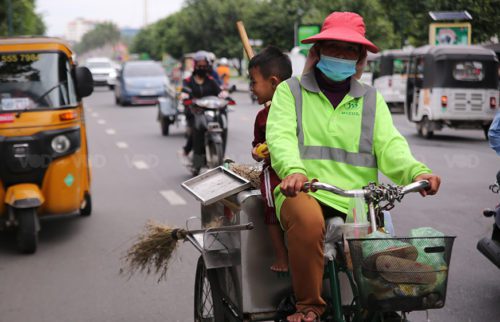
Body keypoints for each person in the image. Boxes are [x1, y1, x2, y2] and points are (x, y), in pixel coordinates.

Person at [266, 12, 441, 322]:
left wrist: (417, 172)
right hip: (303, 190)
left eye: (349, 50)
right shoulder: (289, 91)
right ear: (318, 52)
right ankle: (308, 306)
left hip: (359, 199)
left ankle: (376, 303)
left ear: (360, 58)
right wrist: (294, 170)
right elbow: (279, 137)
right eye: (334, 47)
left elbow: (390, 145)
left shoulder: (372, 100)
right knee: (307, 222)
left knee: (378, 256)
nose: (341, 55)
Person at [249, 46, 292, 272]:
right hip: (273, 172)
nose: (251, 88)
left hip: (301, 171)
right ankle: (281, 257)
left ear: (274, 82)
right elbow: (256, 145)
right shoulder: (262, 117)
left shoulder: (299, 107)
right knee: (272, 206)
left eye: (254, 82)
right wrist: (257, 151)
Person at [179, 51, 221, 165]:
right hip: (193, 111)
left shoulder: (211, 80)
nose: (202, 67)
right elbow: (183, 92)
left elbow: (220, 92)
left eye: (204, 65)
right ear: (195, 66)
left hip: (209, 111)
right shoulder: (188, 81)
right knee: (197, 129)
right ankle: (196, 160)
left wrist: (225, 96)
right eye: (199, 65)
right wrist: (185, 97)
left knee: (217, 121)